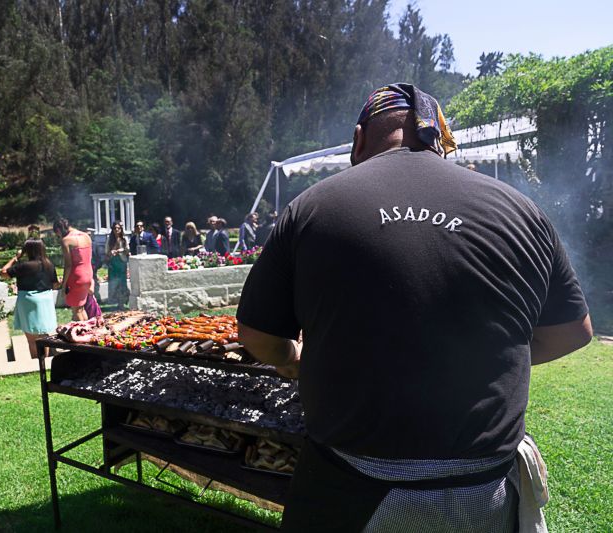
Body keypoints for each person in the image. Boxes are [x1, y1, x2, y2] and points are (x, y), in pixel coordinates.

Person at [237, 83, 593, 532]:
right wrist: (485, 358)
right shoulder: (522, 210)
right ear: (440, 141)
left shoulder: (312, 207)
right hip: (484, 490)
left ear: (358, 139)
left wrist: (293, 359)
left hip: (349, 490)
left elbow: (257, 336)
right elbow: (573, 331)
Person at [0, 239, 60, 358]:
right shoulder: (49, 264)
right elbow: (55, 284)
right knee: (44, 336)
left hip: (29, 300)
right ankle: (44, 361)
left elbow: (3, 273)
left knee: (32, 339)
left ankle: (36, 362)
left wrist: (16, 257)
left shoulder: (25, 266)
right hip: (45, 301)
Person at [53, 218, 94, 321]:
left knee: (76, 311)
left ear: (58, 230)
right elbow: (89, 258)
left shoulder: (66, 240)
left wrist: (64, 285)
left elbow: (68, 265)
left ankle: (81, 334)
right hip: (88, 275)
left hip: (76, 277)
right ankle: (88, 332)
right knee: (81, 308)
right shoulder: (86, 236)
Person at [106, 221, 130, 310]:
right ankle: (116, 302)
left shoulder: (124, 238)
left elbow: (128, 250)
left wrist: (121, 250)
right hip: (113, 263)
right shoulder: (109, 238)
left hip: (122, 262)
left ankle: (122, 303)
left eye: (118, 228)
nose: (117, 230)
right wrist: (111, 252)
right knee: (114, 283)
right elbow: (106, 251)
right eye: (115, 228)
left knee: (122, 283)